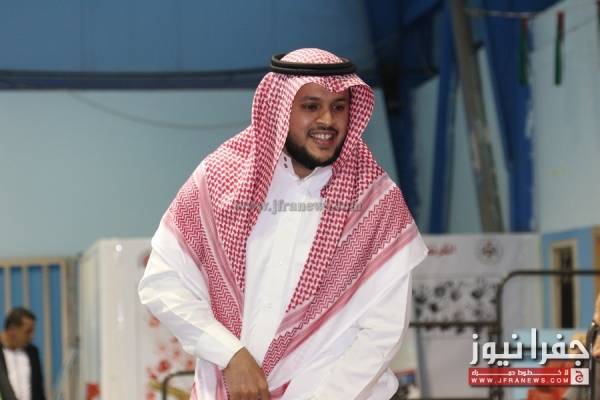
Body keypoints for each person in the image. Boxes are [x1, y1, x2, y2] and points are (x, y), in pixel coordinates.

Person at [138, 48, 428, 400]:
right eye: (311, 106)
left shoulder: (376, 203)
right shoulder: (219, 178)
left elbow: (382, 332)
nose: (327, 120)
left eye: (339, 107)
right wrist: (229, 354)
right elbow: (164, 283)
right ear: (279, 108)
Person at [0, 307, 46, 400]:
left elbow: (39, 391)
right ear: (12, 330)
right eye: (28, 332)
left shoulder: (32, 352)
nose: (32, 336)